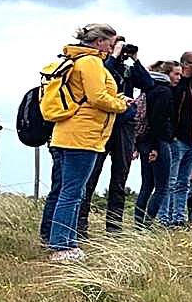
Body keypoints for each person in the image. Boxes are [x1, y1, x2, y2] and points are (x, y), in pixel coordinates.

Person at [37, 23, 131, 261]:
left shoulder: (76, 59)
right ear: (100, 42)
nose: (111, 49)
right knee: (73, 192)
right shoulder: (90, 63)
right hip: (83, 136)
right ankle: (63, 245)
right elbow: (98, 97)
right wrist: (120, 103)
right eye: (110, 44)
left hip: (65, 133)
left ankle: (51, 237)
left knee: (61, 190)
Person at [77, 37, 158, 235]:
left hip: (124, 125)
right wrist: (113, 56)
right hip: (102, 123)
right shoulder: (99, 65)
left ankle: (114, 227)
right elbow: (104, 74)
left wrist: (135, 60)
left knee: (120, 177)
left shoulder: (126, 67)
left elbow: (148, 84)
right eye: (115, 45)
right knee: (91, 176)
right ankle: (81, 226)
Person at [134, 60, 180, 229]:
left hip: (144, 141)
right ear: (167, 74)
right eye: (176, 74)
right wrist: (155, 147)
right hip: (158, 142)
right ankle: (145, 225)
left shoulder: (149, 88)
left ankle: (138, 224)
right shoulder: (164, 91)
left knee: (147, 185)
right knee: (162, 187)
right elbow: (158, 120)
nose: (178, 78)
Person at [161, 51, 192, 226]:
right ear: (186, 64)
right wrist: (172, 135)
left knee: (184, 182)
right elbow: (170, 113)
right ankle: (164, 218)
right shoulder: (175, 87)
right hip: (178, 140)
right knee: (170, 182)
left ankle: (179, 218)